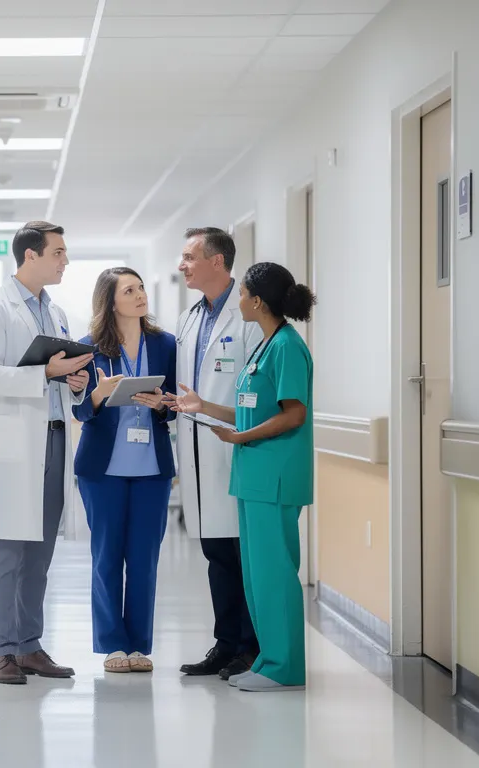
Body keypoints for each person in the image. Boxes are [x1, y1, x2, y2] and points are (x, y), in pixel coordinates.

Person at [167, 262, 316, 693]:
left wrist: (241, 437)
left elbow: (294, 414)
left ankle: (284, 669)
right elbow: (252, 410)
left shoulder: (287, 346)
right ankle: (268, 660)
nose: (239, 299)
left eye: (244, 293)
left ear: (259, 302)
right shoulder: (265, 346)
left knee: (276, 575)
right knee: (257, 575)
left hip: (275, 477)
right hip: (253, 476)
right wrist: (204, 407)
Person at [0, 220, 92, 685]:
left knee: (40, 551)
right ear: (30, 256)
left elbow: (58, 377)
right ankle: (0, 650)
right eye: (58, 252)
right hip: (13, 444)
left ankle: (29, 645)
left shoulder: (55, 313)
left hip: (54, 436)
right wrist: (46, 373)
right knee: (7, 546)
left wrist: (74, 380)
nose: (65, 261)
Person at [71, 267, 177, 673]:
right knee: (107, 557)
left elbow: (176, 402)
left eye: (140, 288)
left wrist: (163, 405)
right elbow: (80, 410)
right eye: (129, 290)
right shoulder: (87, 348)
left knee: (144, 558)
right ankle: (113, 644)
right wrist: (96, 395)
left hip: (152, 469)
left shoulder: (165, 344)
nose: (139, 295)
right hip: (103, 471)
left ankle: (138, 645)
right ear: (110, 301)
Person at [171, 227, 264, 680]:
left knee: (242, 555)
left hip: (236, 447)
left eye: (190, 257)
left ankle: (250, 646)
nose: (182, 265)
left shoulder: (248, 316)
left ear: (217, 261)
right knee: (216, 554)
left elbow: (258, 386)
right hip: (198, 449)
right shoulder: (190, 317)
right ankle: (225, 645)